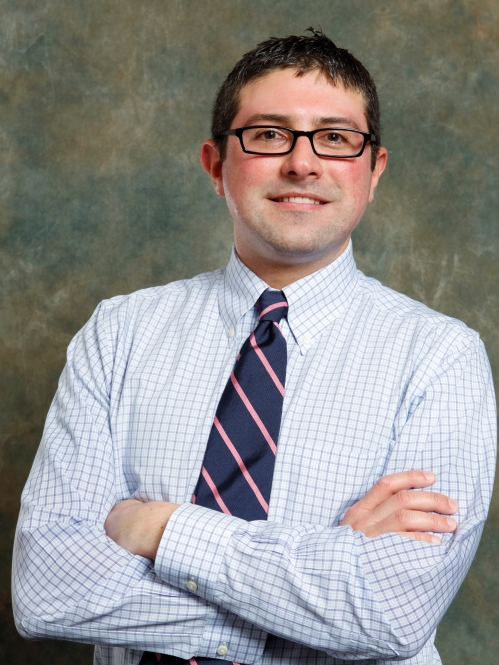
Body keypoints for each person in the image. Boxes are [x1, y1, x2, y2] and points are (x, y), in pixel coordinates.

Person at [12, 29, 496, 665]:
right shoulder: (119, 333)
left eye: (335, 137)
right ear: (216, 166)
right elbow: (47, 591)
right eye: (269, 135)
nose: (303, 163)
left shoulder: (441, 358)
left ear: (373, 171)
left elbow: (388, 615)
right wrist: (318, 579)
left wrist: (161, 528)